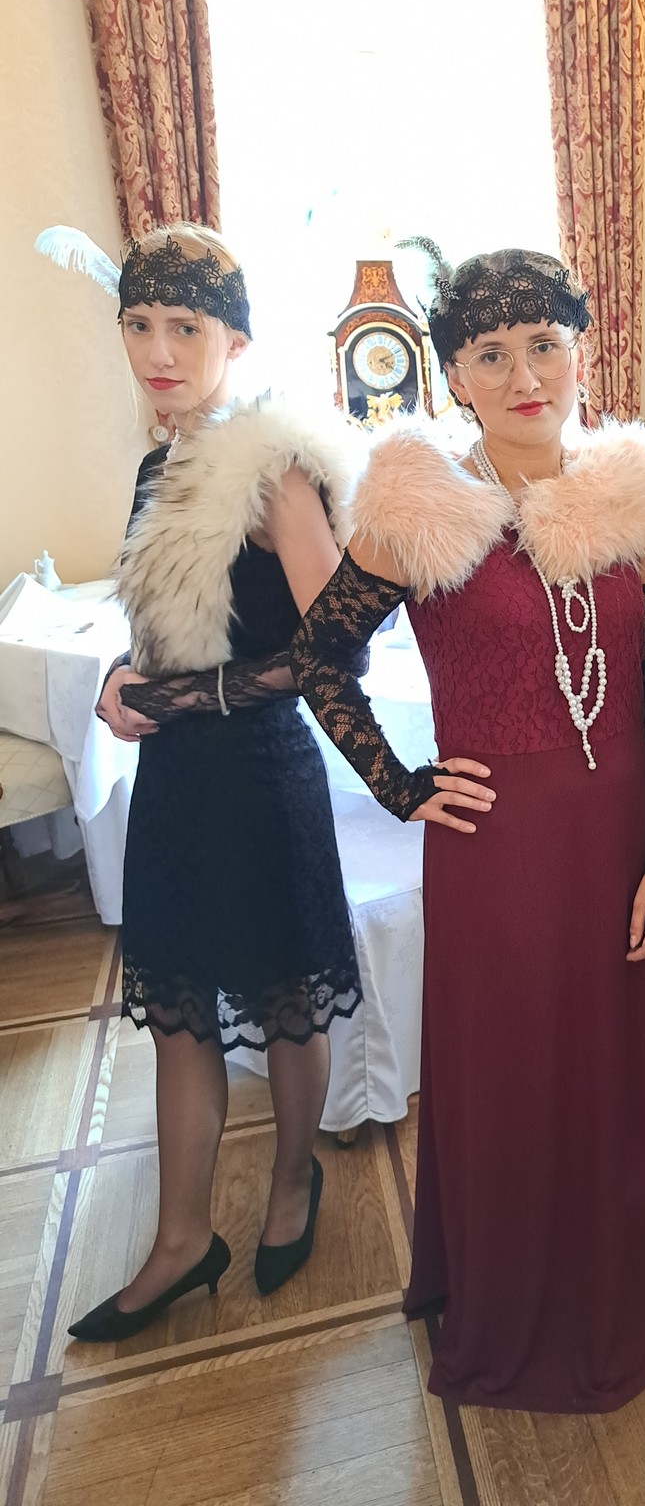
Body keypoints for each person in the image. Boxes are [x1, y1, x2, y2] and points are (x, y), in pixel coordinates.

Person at [290, 245, 645, 1412]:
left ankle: (612, 1277)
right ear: (454, 375)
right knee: (512, 1071)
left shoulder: (633, 498)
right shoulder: (419, 503)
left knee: (610, 1069)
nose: (525, 376)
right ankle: (510, 1302)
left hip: (616, 834)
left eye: (545, 345)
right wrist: (398, 782)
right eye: (492, 353)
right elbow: (319, 658)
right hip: (498, 848)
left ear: (581, 352)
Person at [36, 223, 362, 1340]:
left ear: (236, 339)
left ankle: (292, 1181)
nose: (159, 350)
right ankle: (182, 1241)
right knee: (177, 1011)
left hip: (262, 773)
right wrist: (125, 678)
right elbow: (165, 633)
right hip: (175, 783)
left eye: (186, 326)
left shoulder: (272, 468)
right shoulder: (154, 466)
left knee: (285, 1000)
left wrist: (176, 698)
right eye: (139, 324)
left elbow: (336, 649)